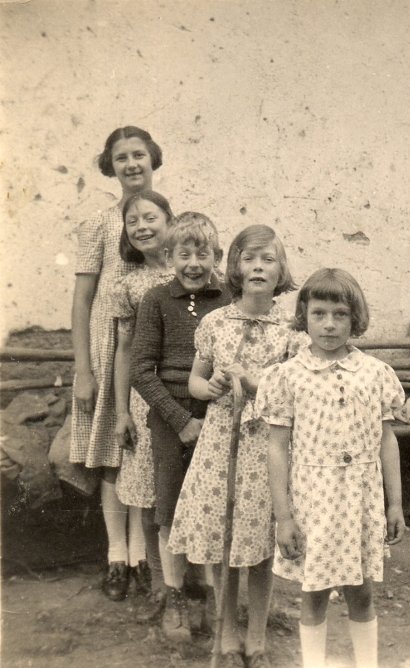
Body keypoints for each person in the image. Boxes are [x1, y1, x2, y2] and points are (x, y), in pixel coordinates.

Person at [168, 224, 307, 667]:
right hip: (219, 445)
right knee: (223, 543)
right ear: (234, 268)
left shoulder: (291, 331)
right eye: (249, 258)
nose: (259, 267)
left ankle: (258, 639)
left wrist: (257, 382)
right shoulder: (215, 323)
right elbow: (194, 380)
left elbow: (299, 388)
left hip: (267, 449)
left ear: (281, 269)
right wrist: (208, 386)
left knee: (260, 547)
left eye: (268, 259)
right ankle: (227, 637)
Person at [255, 268, 406, 668]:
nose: (329, 324)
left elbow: (386, 440)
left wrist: (395, 504)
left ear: (354, 318)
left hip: (360, 497)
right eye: (319, 313)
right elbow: (277, 448)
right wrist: (283, 517)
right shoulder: (287, 377)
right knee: (314, 590)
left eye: (340, 314)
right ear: (303, 315)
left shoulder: (375, 374)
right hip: (313, 500)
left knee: (361, 590)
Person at [69, 126, 164, 601]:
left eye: (139, 155)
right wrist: (84, 371)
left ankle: (144, 556)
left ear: (153, 160)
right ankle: (116, 558)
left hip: (153, 358)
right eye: (121, 157)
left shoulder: (162, 218)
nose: (131, 164)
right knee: (111, 456)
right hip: (110, 355)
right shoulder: (100, 225)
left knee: (142, 455)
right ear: (111, 165)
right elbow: (83, 301)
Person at [130, 212, 232, 641]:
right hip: (170, 419)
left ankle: (208, 594)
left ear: (217, 256)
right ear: (168, 256)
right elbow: (140, 370)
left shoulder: (228, 299)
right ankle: (173, 596)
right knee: (169, 507)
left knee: (213, 506)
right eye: (184, 253)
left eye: (202, 253)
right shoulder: (155, 300)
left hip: (219, 417)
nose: (193, 263)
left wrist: (212, 413)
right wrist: (179, 420)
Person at [109, 190, 175, 602]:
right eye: (132, 222)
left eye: (150, 217)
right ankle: (161, 586)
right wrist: (121, 412)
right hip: (144, 398)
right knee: (149, 494)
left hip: (190, 394)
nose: (142, 227)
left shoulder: (193, 271)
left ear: (170, 220)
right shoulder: (127, 284)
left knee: (186, 488)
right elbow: (124, 351)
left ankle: (199, 582)